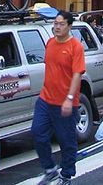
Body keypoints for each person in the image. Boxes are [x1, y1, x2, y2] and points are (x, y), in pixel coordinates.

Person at [32, 10, 85, 185]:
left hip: (65, 102)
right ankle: (50, 169)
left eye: (61, 24)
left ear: (69, 26)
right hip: (46, 99)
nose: (57, 27)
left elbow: (77, 74)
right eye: (55, 23)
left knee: (66, 141)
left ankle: (66, 175)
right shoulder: (50, 43)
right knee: (38, 133)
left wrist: (69, 98)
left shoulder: (75, 46)